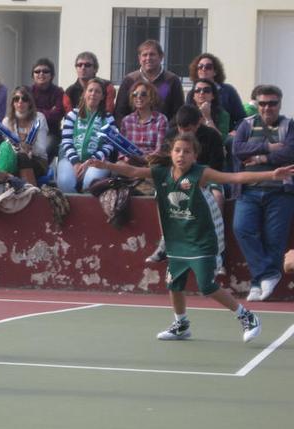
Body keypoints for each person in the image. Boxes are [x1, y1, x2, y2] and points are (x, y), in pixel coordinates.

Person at [88, 134, 293, 341]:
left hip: (201, 242)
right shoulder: (161, 173)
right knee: (174, 285)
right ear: (171, 153)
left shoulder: (200, 174)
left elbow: (235, 177)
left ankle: (247, 316)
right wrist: (104, 164)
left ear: (195, 156)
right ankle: (181, 325)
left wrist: (271, 175)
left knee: (206, 286)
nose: (181, 155)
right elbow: (132, 170)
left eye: (187, 151)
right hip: (177, 242)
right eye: (177, 150)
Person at [232, 84, 294, 302]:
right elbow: (237, 149)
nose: (268, 108)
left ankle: (258, 283)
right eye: (263, 103)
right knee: (242, 228)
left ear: (280, 104)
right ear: (257, 104)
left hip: (281, 192)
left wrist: (261, 158)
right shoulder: (246, 125)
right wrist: (270, 147)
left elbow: (290, 152)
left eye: (272, 103)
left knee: (274, 240)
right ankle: (266, 275)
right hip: (249, 190)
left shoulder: (289, 125)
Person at [146, 104, 227, 265]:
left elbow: (217, 167)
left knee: (217, 195)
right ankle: (166, 241)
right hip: (178, 178)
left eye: (189, 129)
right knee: (161, 193)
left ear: (199, 123)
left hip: (206, 178)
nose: (184, 133)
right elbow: (164, 163)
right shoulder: (172, 135)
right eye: (181, 129)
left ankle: (217, 252)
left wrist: (198, 177)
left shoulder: (212, 136)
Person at [57, 79, 116, 193]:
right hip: (71, 159)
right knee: (65, 182)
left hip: (97, 161)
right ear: (84, 94)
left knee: (91, 182)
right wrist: (76, 163)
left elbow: (109, 145)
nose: (93, 94)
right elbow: (66, 141)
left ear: (102, 96)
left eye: (97, 92)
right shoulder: (72, 115)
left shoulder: (108, 118)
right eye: (90, 90)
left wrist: (90, 162)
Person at [114, 39, 184, 123]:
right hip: (133, 132)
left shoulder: (171, 80)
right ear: (139, 58)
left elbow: (178, 112)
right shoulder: (129, 80)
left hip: (165, 132)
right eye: (144, 55)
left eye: (152, 54)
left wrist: (167, 131)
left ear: (161, 57)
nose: (148, 58)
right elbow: (120, 112)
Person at [1, 86, 50, 185]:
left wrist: (29, 146)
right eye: (16, 99)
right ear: (12, 102)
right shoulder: (7, 121)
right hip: (14, 159)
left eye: (25, 99)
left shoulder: (39, 118)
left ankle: (30, 192)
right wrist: (20, 147)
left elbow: (41, 149)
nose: (20, 102)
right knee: (5, 149)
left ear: (30, 102)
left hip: (38, 160)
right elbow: (8, 146)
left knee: (21, 158)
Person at [187, 53, 246, 131]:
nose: (203, 69)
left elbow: (241, 118)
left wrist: (236, 131)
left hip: (226, 135)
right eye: (200, 67)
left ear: (215, 71)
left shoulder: (228, 91)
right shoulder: (192, 93)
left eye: (208, 67)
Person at [119, 81, 168, 156]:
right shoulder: (126, 121)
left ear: (151, 97)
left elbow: (159, 150)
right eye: (135, 94)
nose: (138, 97)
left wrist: (143, 159)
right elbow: (121, 149)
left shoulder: (161, 120)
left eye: (143, 94)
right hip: (130, 161)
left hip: (151, 162)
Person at [30, 58, 65, 156]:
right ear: (33, 75)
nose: (41, 74)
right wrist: (49, 111)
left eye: (45, 71)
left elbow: (57, 115)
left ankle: (39, 171)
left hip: (51, 133)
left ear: (52, 75)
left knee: (44, 151)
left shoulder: (59, 92)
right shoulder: (27, 92)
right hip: (30, 132)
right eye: (37, 71)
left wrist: (36, 111)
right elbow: (25, 113)